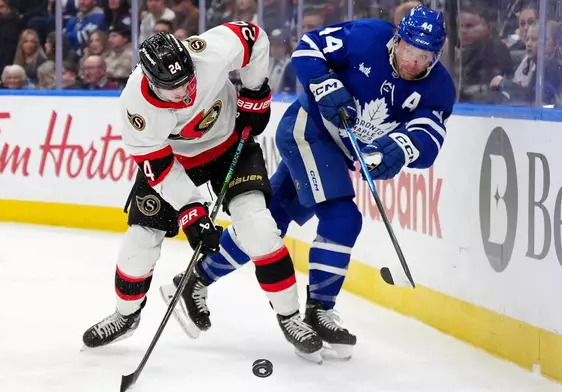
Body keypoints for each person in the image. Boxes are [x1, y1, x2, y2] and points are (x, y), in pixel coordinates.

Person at [164, 5, 456, 361]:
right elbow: (308, 48)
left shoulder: (439, 88)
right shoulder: (367, 36)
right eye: (409, 50)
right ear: (398, 38)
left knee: (269, 222)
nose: (413, 63)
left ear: (435, 56)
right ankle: (319, 310)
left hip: (339, 151)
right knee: (343, 217)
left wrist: (397, 149)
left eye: (423, 57)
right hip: (308, 130)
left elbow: (428, 137)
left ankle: (194, 280)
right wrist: (325, 84)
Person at [81, 23, 324, 361]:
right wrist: (191, 210)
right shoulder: (136, 108)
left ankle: (290, 317)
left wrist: (255, 94)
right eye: (173, 90)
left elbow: (255, 37)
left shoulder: (207, 52)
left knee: (257, 226)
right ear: (152, 83)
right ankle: (126, 315)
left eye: (188, 82)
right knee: (140, 239)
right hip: (177, 159)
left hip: (229, 144)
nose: (185, 93)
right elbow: (161, 169)